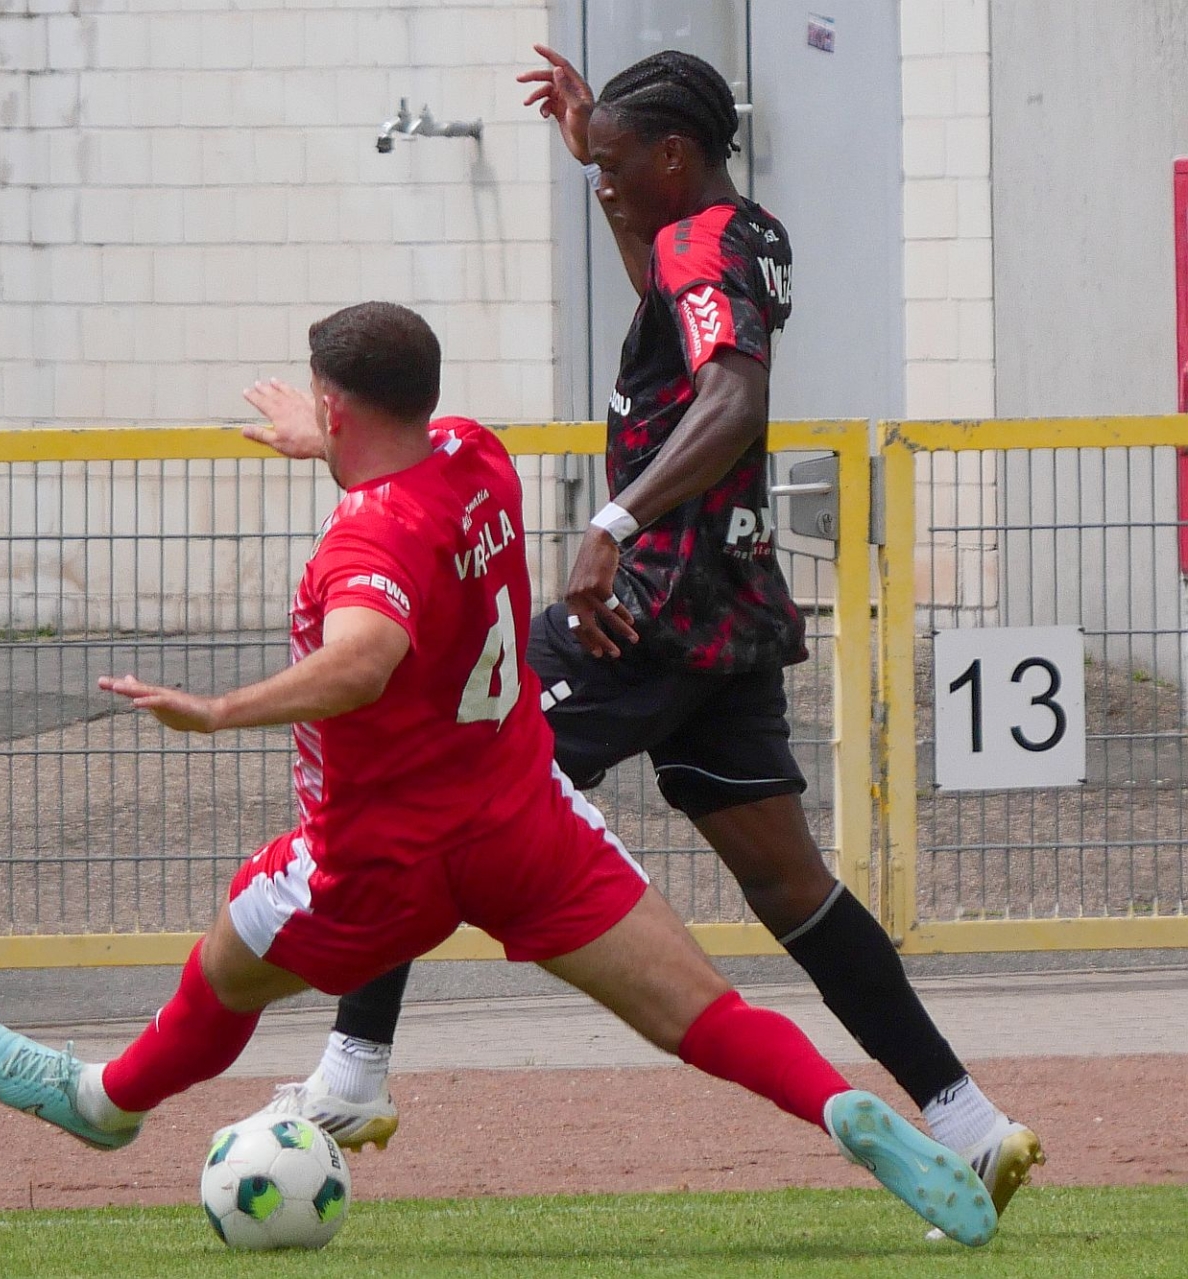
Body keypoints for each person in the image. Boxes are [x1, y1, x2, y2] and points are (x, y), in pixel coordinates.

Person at [0, 300, 999, 1248]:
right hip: (522, 823)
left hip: (381, 862)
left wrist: (219, 709)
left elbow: (366, 654)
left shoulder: (366, 540)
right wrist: (327, 443)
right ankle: (836, 1105)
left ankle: (108, 1101)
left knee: (223, 972)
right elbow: (401, 476)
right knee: (704, 1014)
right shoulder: (476, 454)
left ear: (335, 404)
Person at [270, 47, 1043, 1235]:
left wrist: (613, 522)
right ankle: (973, 1123)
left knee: (424, 773)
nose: (603, 183)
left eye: (617, 166)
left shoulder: (702, 248)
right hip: (731, 601)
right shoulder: (739, 235)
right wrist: (590, 143)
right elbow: (677, 304)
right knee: (789, 883)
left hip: (652, 601)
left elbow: (732, 398)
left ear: (674, 156)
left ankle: (353, 1072)